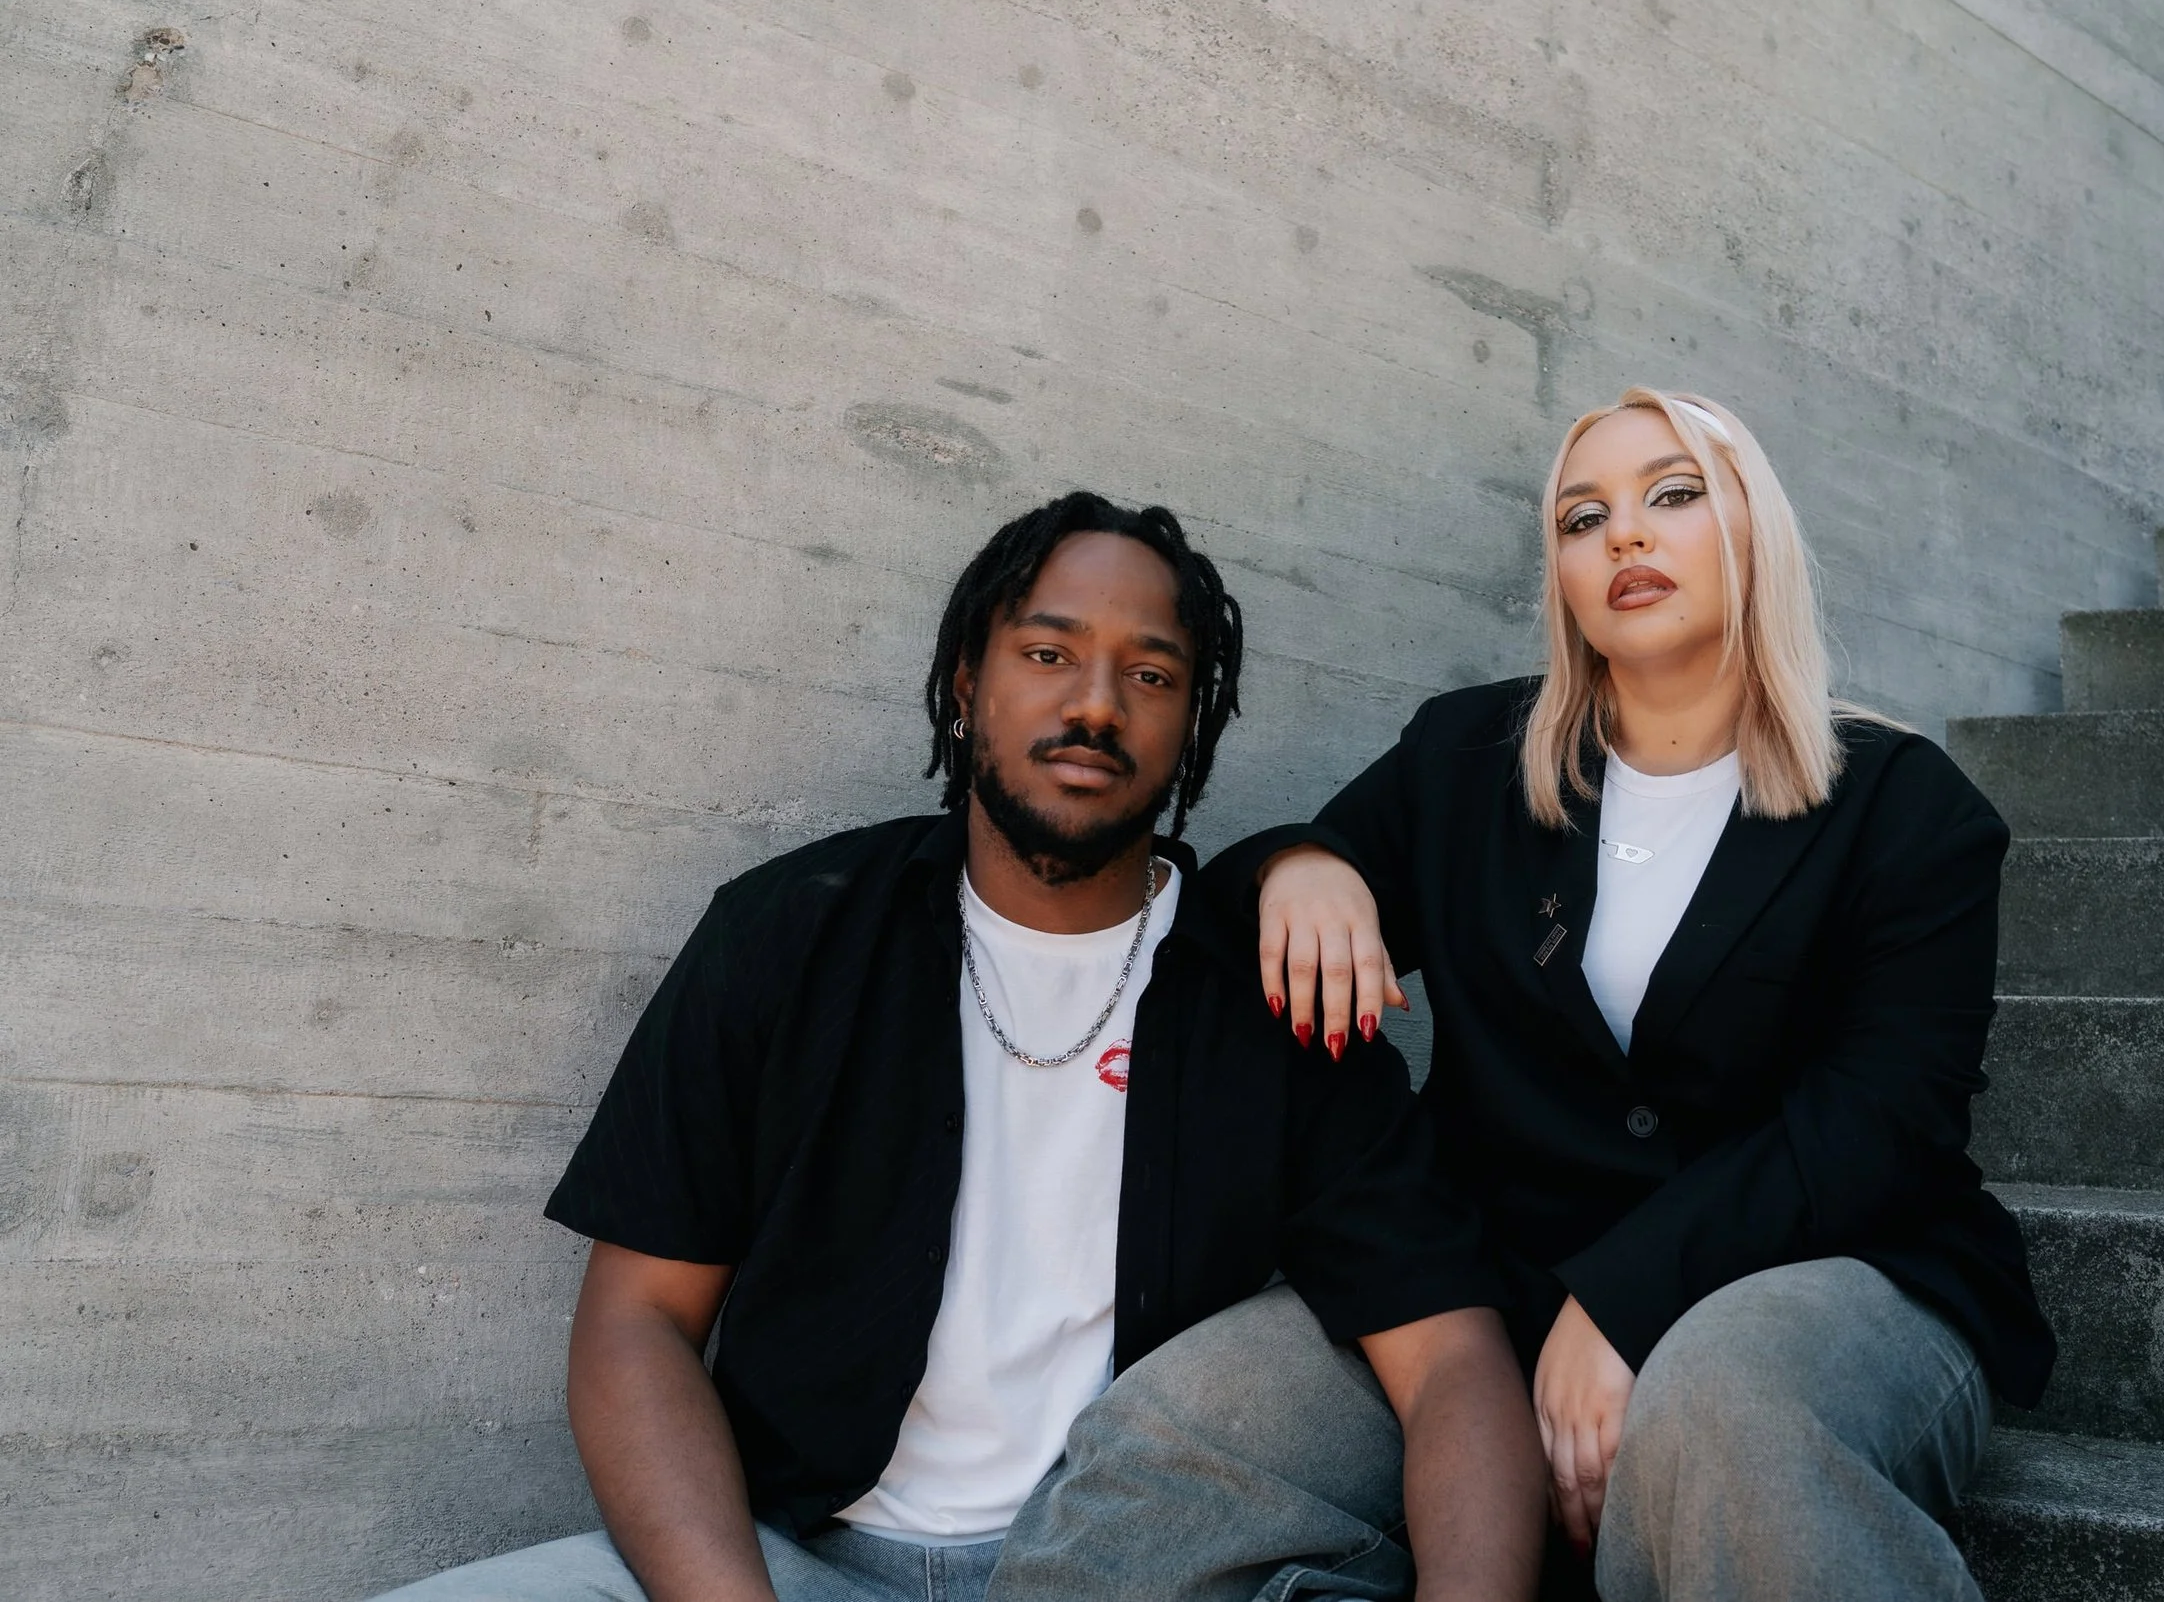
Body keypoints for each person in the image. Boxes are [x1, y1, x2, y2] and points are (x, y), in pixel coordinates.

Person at [376, 492, 1545, 1602]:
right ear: (964, 683)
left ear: (1192, 720)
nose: (1096, 703)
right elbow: (637, 1321)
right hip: (792, 1559)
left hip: (1130, 1571)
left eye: (1150, 673)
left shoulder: (1271, 995)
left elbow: (1448, 1356)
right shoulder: (794, 931)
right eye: (1047, 654)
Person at [1008, 392, 2056, 1602]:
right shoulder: (1471, 758)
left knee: (1723, 1413)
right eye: (1582, 515)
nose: (1623, 536)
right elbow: (1275, 880)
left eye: (1672, 495)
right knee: (1168, 1438)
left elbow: (1883, 1124)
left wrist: (1620, 1304)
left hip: (1825, 1269)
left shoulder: (1908, 808)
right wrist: (1302, 865)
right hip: (1488, 1277)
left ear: (1752, 527)